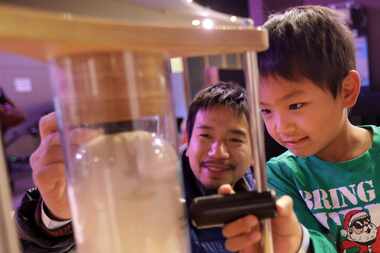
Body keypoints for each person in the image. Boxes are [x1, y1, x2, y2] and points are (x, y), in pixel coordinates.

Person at [16, 82, 318, 253]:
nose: (219, 151)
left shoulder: (266, 194)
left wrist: (296, 247)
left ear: (254, 151)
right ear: (186, 139)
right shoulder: (151, 182)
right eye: (205, 136)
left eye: (236, 139)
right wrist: (55, 217)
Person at [226, 5, 380, 253]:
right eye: (265, 110)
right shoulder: (281, 176)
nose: (280, 127)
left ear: (347, 90)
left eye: (295, 105)